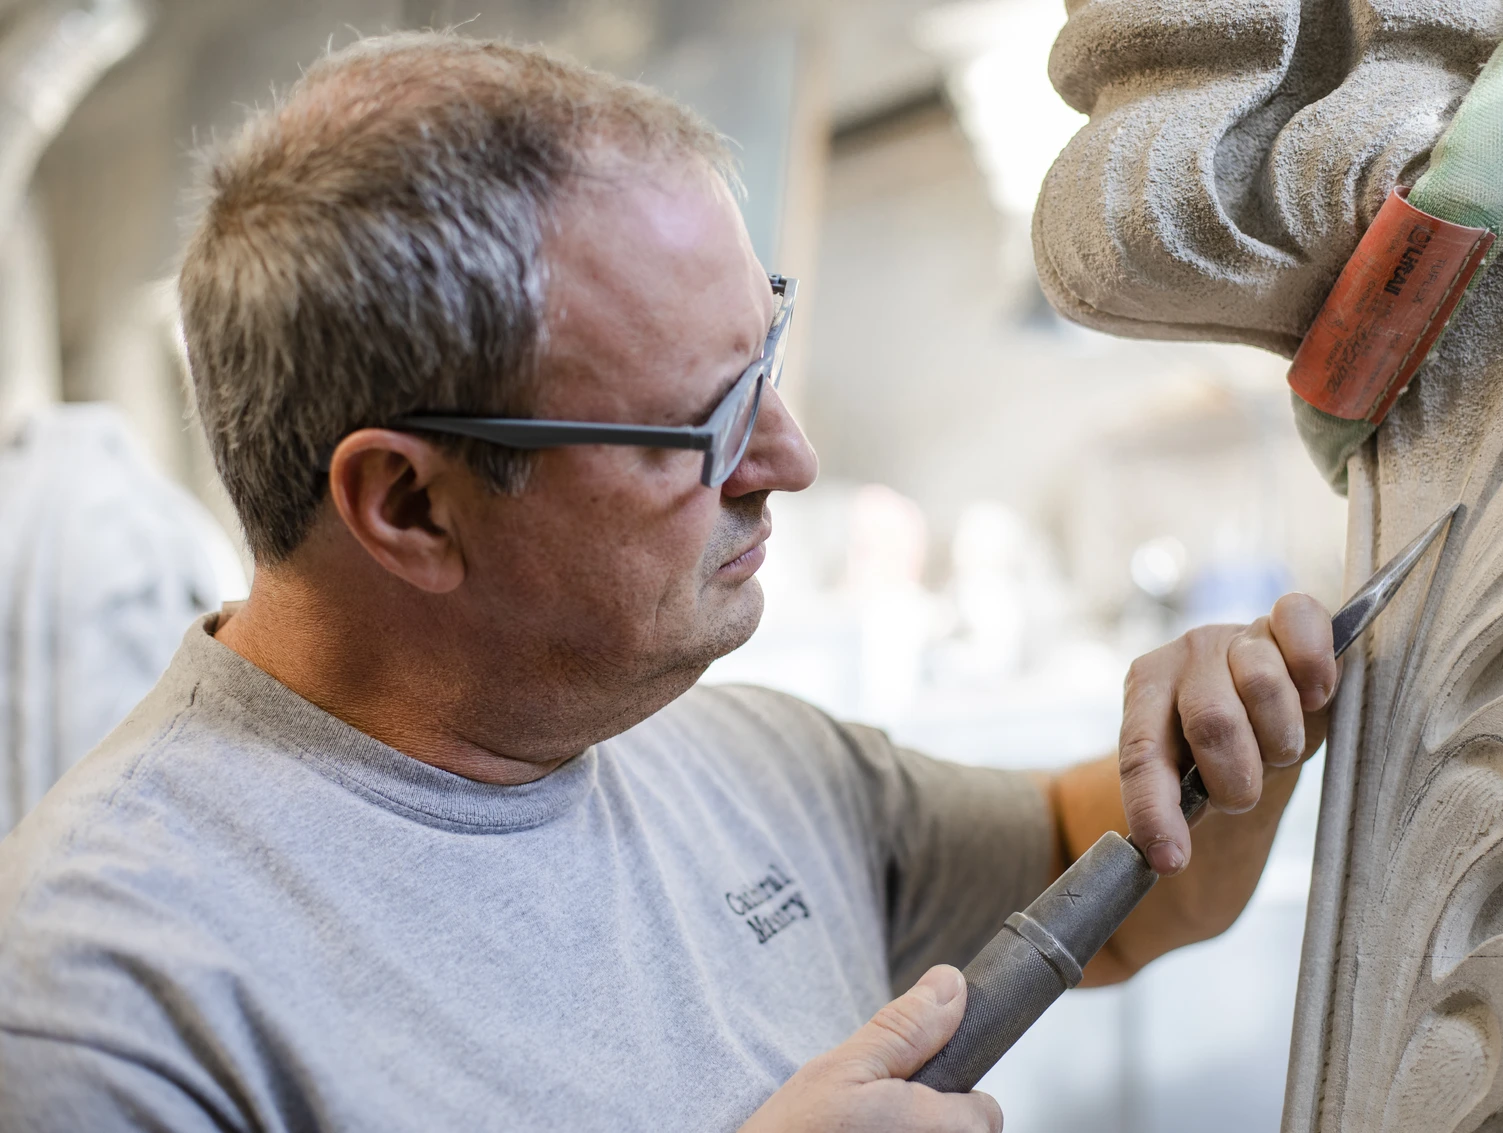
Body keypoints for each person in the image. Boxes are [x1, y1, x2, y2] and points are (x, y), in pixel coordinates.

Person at [0, 32, 1338, 1132]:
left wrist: (1220, 744)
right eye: (710, 421)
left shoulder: (735, 755)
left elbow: (1110, 896)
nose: (792, 459)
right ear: (409, 504)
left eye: (768, 357)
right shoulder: (106, 993)